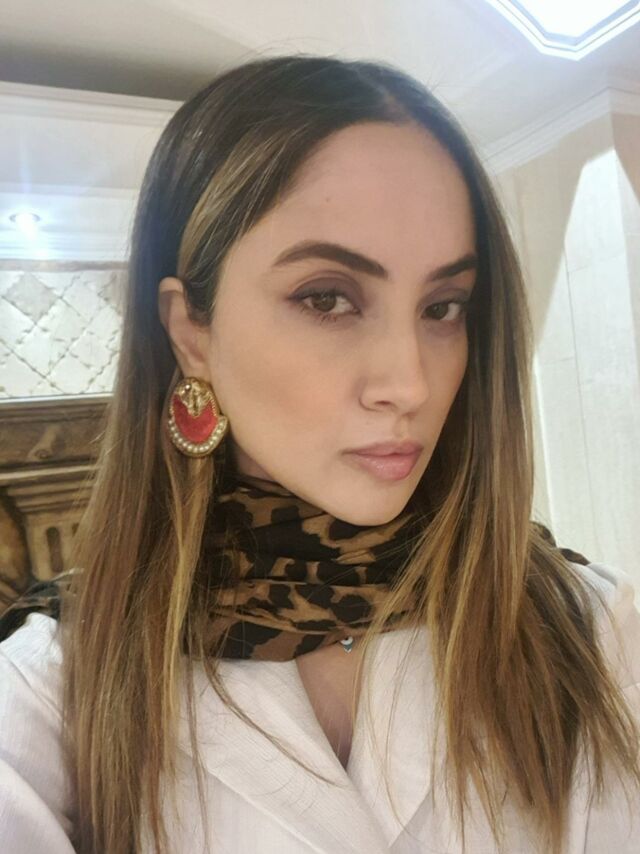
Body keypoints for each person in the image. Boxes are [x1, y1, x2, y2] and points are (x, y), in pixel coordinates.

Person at [0, 54, 638, 854]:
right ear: (191, 332)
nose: (410, 383)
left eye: (444, 307)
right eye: (327, 298)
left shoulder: (590, 626)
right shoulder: (52, 689)